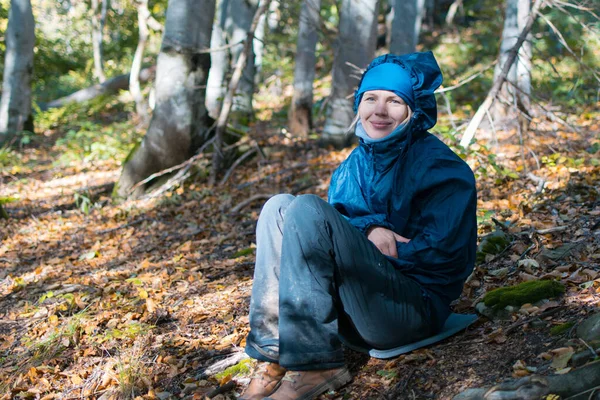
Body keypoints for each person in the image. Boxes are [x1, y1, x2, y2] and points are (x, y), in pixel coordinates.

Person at [239, 51, 477, 400]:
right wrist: (368, 230)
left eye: (394, 100)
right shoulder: (352, 167)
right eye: (371, 98)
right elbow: (331, 233)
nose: (379, 110)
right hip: (354, 311)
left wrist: (370, 250)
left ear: (415, 110)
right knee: (279, 207)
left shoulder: (444, 170)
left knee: (306, 207)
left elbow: (446, 258)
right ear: (358, 105)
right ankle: (277, 353)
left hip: (411, 310)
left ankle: (317, 367)